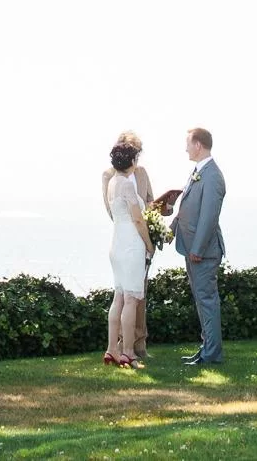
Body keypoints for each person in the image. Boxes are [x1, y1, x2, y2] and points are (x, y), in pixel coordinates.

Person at [172, 126, 226, 366]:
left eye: (187, 143)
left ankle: (212, 353)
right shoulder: (198, 172)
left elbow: (208, 217)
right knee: (200, 300)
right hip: (191, 248)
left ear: (198, 145)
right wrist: (171, 228)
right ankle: (206, 348)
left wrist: (198, 249)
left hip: (202, 252)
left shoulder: (213, 176)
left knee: (207, 300)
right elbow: (188, 209)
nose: (185, 149)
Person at [101, 130, 154, 358]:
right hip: (132, 245)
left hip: (116, 244)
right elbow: (138, 219)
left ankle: (112, 349)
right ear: (131, 160)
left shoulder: (113, 182)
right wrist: (149, 244)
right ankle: (128, 352)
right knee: (132, 300)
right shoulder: (126, 185)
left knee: (118, 298)